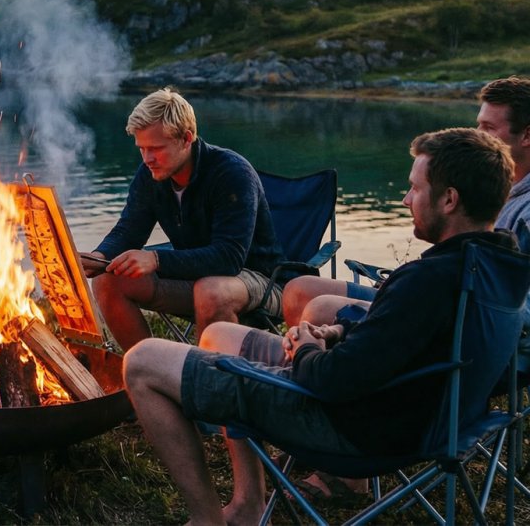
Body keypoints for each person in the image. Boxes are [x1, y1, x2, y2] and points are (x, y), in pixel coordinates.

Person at [122, 127, 516, 525]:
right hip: (410, 412)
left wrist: (306, 349)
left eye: (415, 188)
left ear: (449, 200)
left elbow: (331, 381)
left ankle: (208, 519)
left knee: (143, 361)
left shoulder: (429, 280)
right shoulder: (497, 268)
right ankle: (247, 504)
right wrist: (338, 333)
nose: (405, 198)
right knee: (218, 335)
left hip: (349, 428)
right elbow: (405, 338)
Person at [281, 74, 530, 327]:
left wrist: (414, 298)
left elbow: (516, 306)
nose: (478, 135)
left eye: (488, 128)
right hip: (435, 293)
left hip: (452, 315)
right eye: (479, 125)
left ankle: (308, 358)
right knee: (299, 290)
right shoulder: (493, 185)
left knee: (317, 307)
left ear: (527, 135)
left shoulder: (526, 213)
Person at [84, 88, 284, 349]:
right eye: (142, 149)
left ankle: (207, 383)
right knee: (107, 281)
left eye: (156, 148)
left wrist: (156, 259)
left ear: (186, 138)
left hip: (260, 283)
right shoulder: (151, 175)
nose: (147, 159)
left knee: (210, 291)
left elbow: (228, 258)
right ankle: (151, 373)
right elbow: (129, 230)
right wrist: (98, 258)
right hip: (197, 280)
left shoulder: (232, 173)